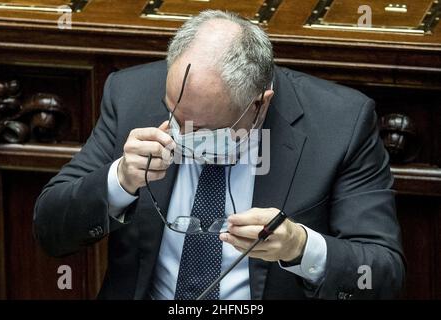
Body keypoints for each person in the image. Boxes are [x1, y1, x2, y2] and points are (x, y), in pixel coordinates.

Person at [33, 10, 405, 300]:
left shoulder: (341, 123)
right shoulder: (131, 95)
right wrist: (120, 180)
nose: (183, 135)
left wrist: (300, 247)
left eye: (205, 128)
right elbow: (50, 229)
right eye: (175, 117)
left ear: (260, 105)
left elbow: (382, 273)